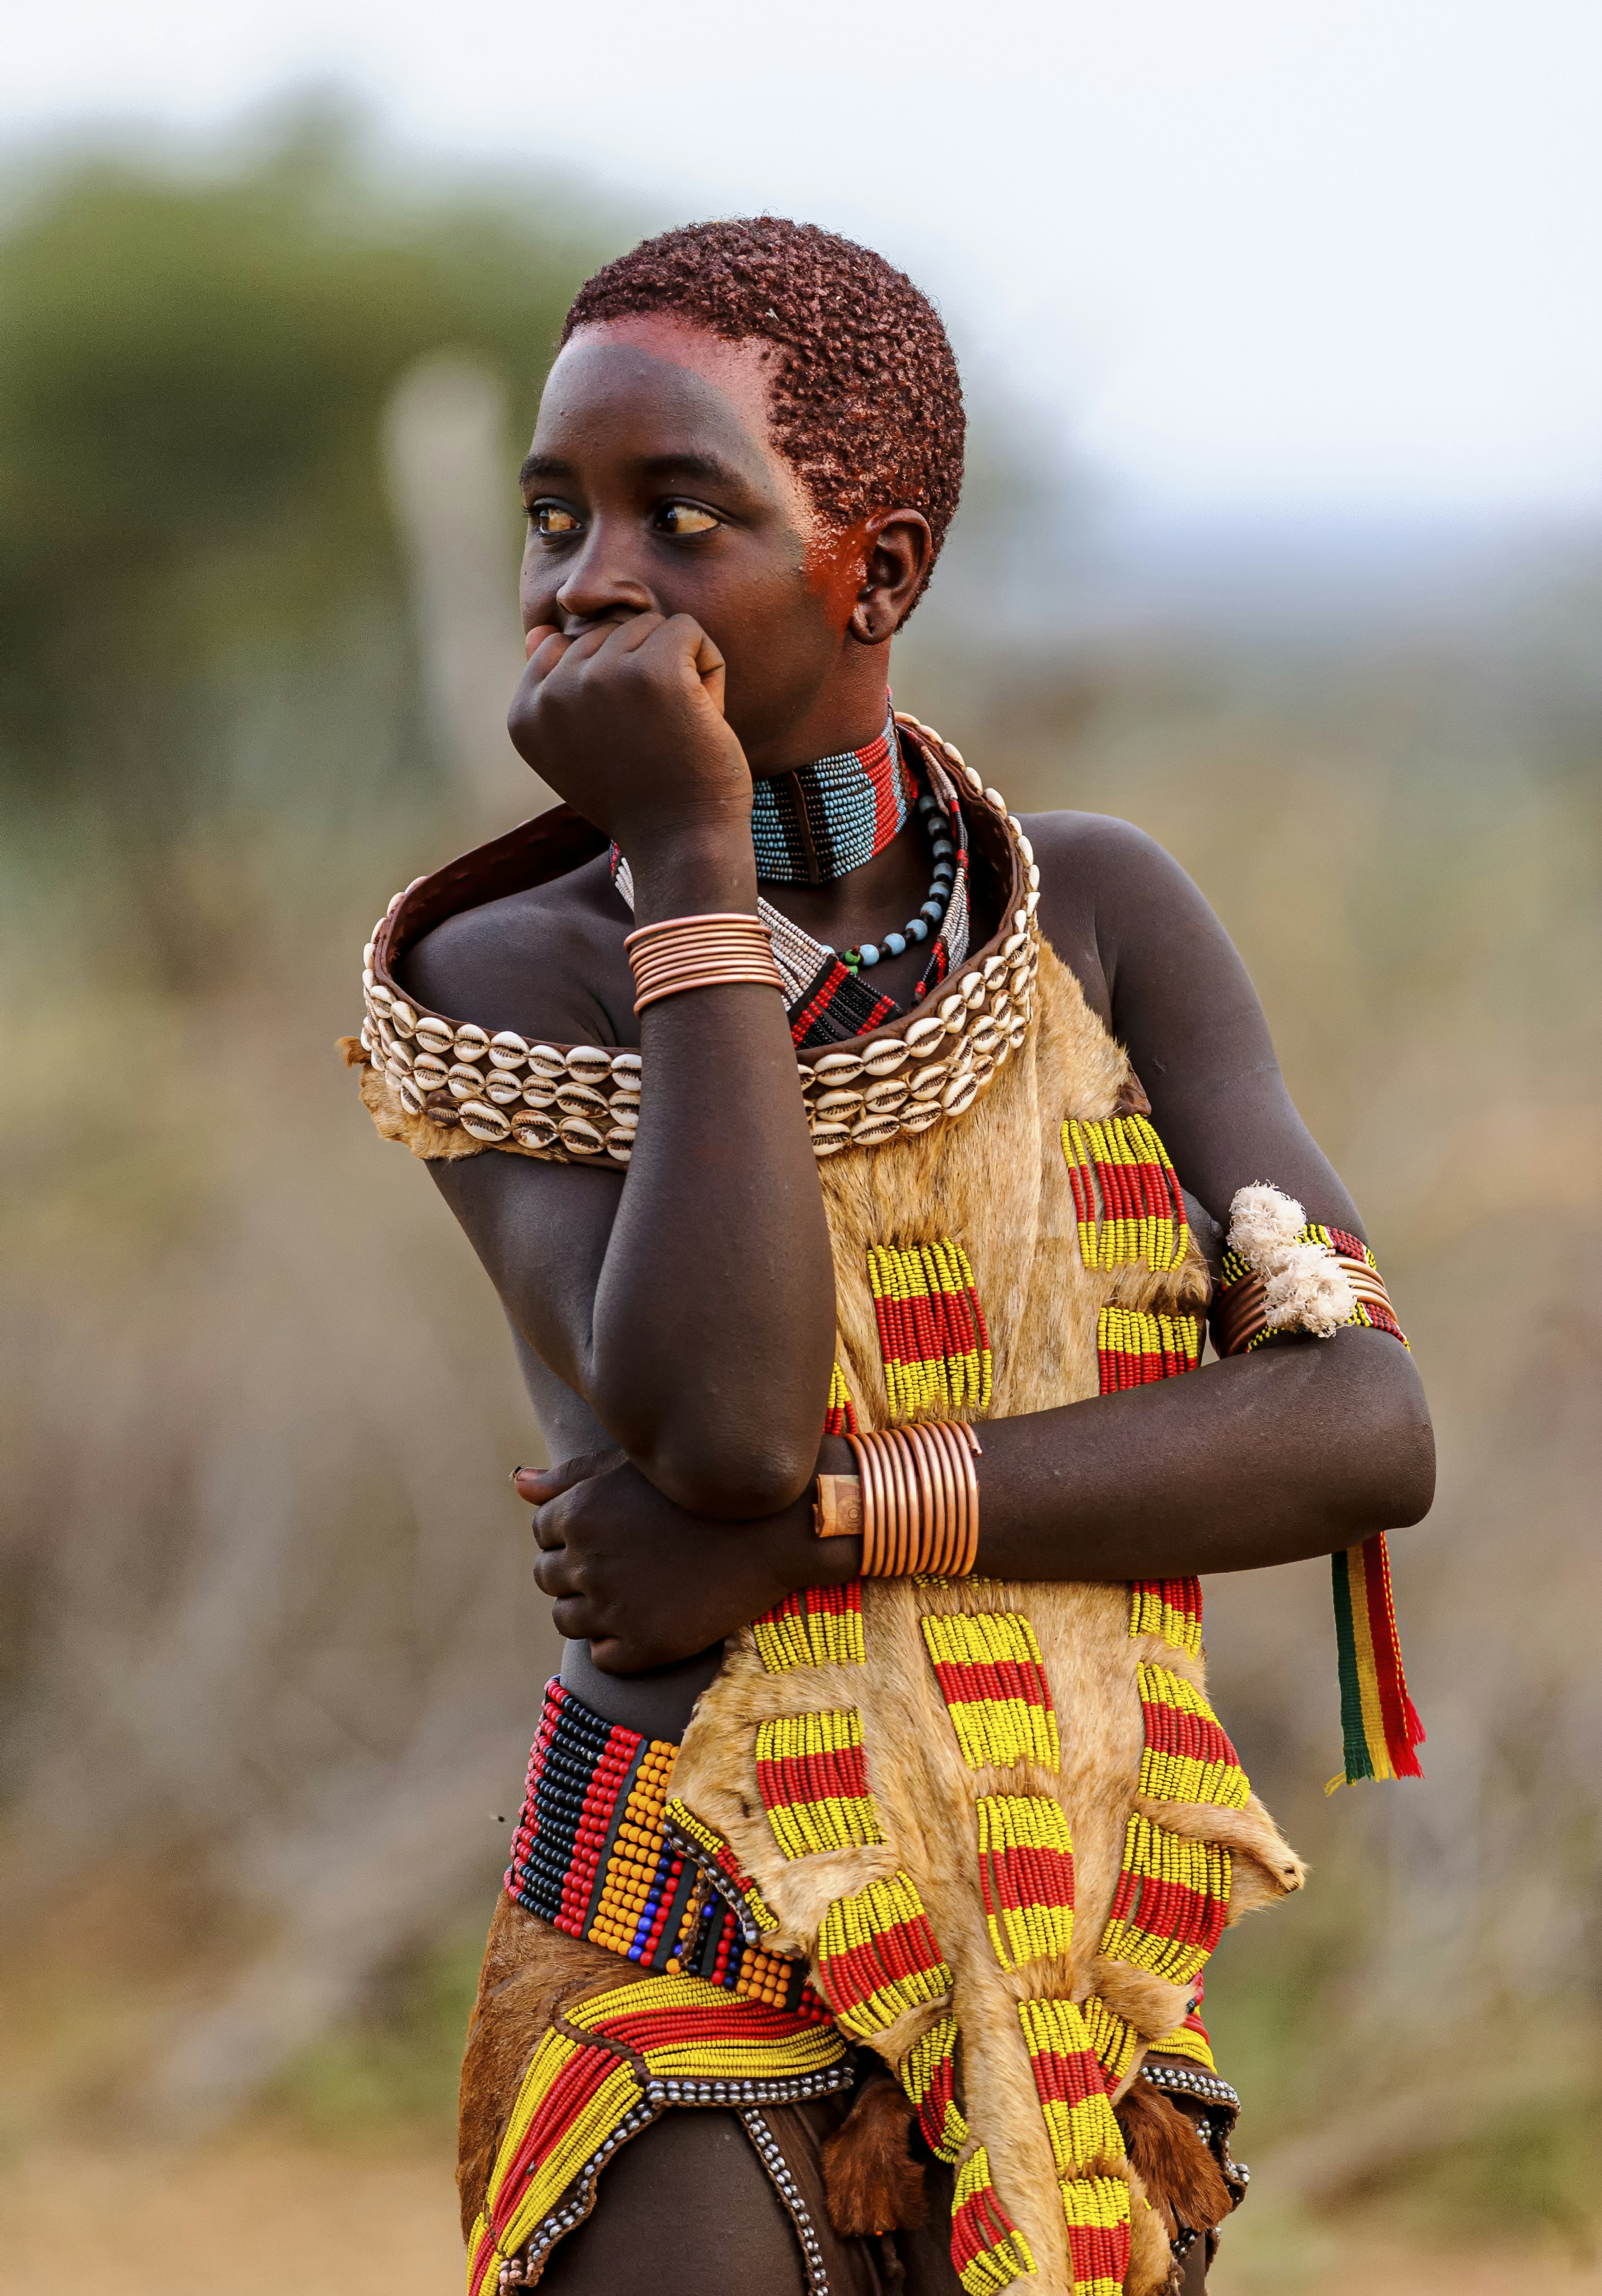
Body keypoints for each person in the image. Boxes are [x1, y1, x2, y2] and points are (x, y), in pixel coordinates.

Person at [346, 218, 1434, 2296]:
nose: (590, 580)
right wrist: (684, 861)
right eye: (556, 514)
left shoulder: (1090, 921)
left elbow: (1363, 1424)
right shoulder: (514, 966)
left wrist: (823, 1537)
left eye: (686, 514)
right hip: (696, 1932)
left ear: (885, 571)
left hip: (1067, 1950)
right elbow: (727, 1423)